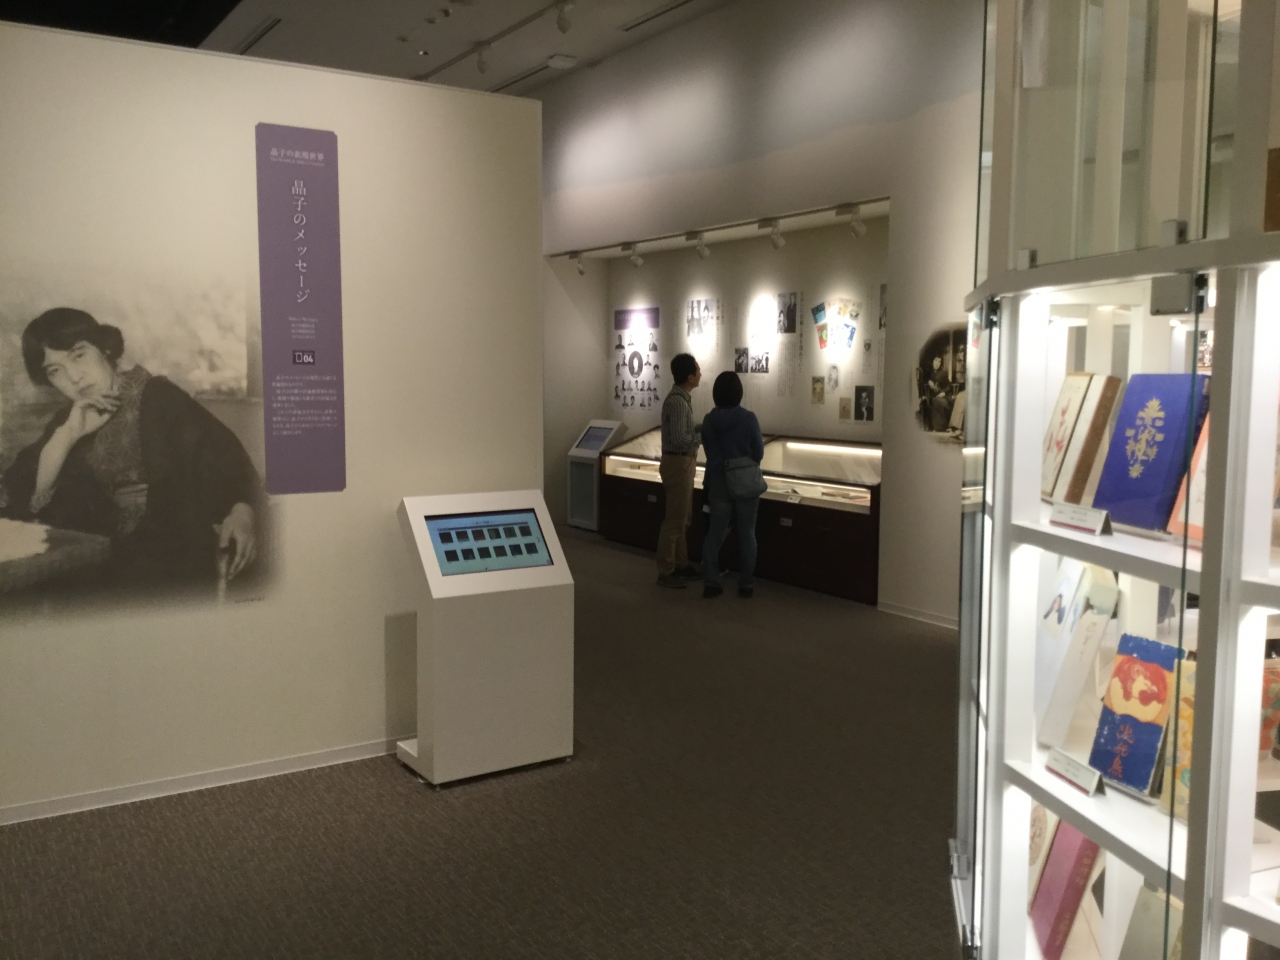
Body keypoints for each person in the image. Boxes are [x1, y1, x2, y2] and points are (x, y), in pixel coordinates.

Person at [0, 308, 263, 590]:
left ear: (104, 349)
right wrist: (67, 436)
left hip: (168, 554)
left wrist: (242, 513)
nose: (74, 377)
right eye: (55, 371)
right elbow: (22, 492)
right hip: (96, 557)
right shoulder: (67, 420)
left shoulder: (160, 397)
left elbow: (226, 459)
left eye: (79, 356)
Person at [700, 371, 764, 599]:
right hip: (745, 481)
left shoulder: (709, 420)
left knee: (714, 534)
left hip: (718, 481)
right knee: (747, 534)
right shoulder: (749, 418)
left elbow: (709, 451)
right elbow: (759, 452)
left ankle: (711, 582)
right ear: (739, 392)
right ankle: (746, 584)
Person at [655, 352, 702, 588]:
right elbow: (679, 439)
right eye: (697, 370)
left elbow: (681, 433)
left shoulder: (681, 400)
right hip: (678, 463)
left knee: (683, 518)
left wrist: (698, 429)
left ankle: (681, 564)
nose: (700, 373)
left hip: (682, 462)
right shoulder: (677, 402)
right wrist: (702, 437)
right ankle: (666, 570)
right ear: (690, 377)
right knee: (675, 520)